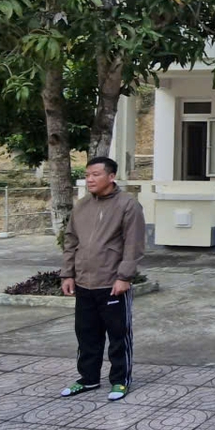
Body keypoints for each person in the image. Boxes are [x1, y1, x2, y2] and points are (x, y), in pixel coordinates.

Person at [59, 157, 146, 402]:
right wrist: (68, 273)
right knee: (86, 333)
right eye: (87, 175)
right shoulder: (82, 206)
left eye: (95, 174)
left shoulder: (128, 205)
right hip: (85, 282)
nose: (89, 179)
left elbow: (134, 244)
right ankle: (88, 378)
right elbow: (70, 241)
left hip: (112, 283)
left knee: (118, 335)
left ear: (111, 176)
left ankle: (120, 380)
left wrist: (124, 276)